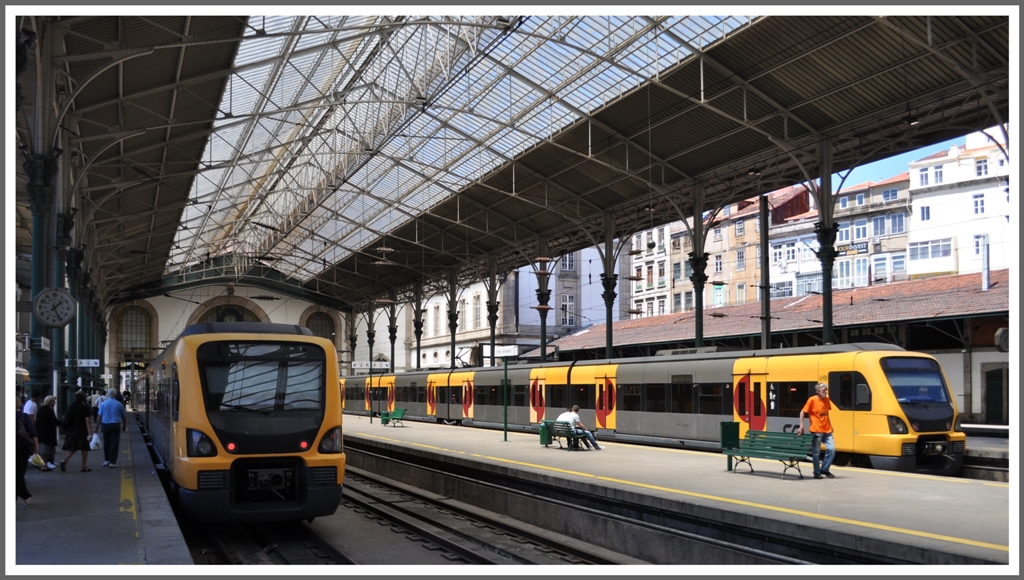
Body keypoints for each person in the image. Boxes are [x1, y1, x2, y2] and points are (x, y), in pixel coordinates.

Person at [797, 382, 836, 479]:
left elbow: (825, 414)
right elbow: (802, 412)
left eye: (826, 390)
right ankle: (817, 472)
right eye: (824, 390)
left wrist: (829, 425)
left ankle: (825, 469)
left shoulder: (826, 399)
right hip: (816, 429)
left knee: (832, 449)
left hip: (827, 429)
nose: (825, 392)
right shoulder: (812, 400)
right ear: (818, 391)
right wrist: (801, 426)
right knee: (816, 452)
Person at [60, 390, 95, 472]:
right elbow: (87, 420)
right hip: (82, 430)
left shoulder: (71, 406)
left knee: (74, 446)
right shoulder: (85, 407)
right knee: (85, 447)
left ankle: (64, 461)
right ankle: (83, 465)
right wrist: (90, 432)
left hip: (71, 429)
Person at [15, 396, 38, 505]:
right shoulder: (23, 416)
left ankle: (25, 495)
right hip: (21, 448)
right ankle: (24, 495)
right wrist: (36, 446)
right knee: (19, 473)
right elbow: (33, 432)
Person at [98, 388, 128, 468]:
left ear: (108, 394)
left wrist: (97, 427)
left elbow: (100, 416)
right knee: (114, 443)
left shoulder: (103, 404)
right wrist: (124, 426)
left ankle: (107, 460)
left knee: (106, 443)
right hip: (115, 425)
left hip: (105, 425)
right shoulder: (119, 404)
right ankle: (113, 462)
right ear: (115, 394)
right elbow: (124, 416)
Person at [35, 395, 60, 471]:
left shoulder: (41, 409)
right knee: (45, 451)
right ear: (49, 402)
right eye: (53, 401)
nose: (54, 403)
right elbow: (53, 421)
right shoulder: (48, 410)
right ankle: (42, 465)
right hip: (47, 434)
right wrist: (61, 422)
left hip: (42, 433)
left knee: (45, 451)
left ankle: (44, 465)